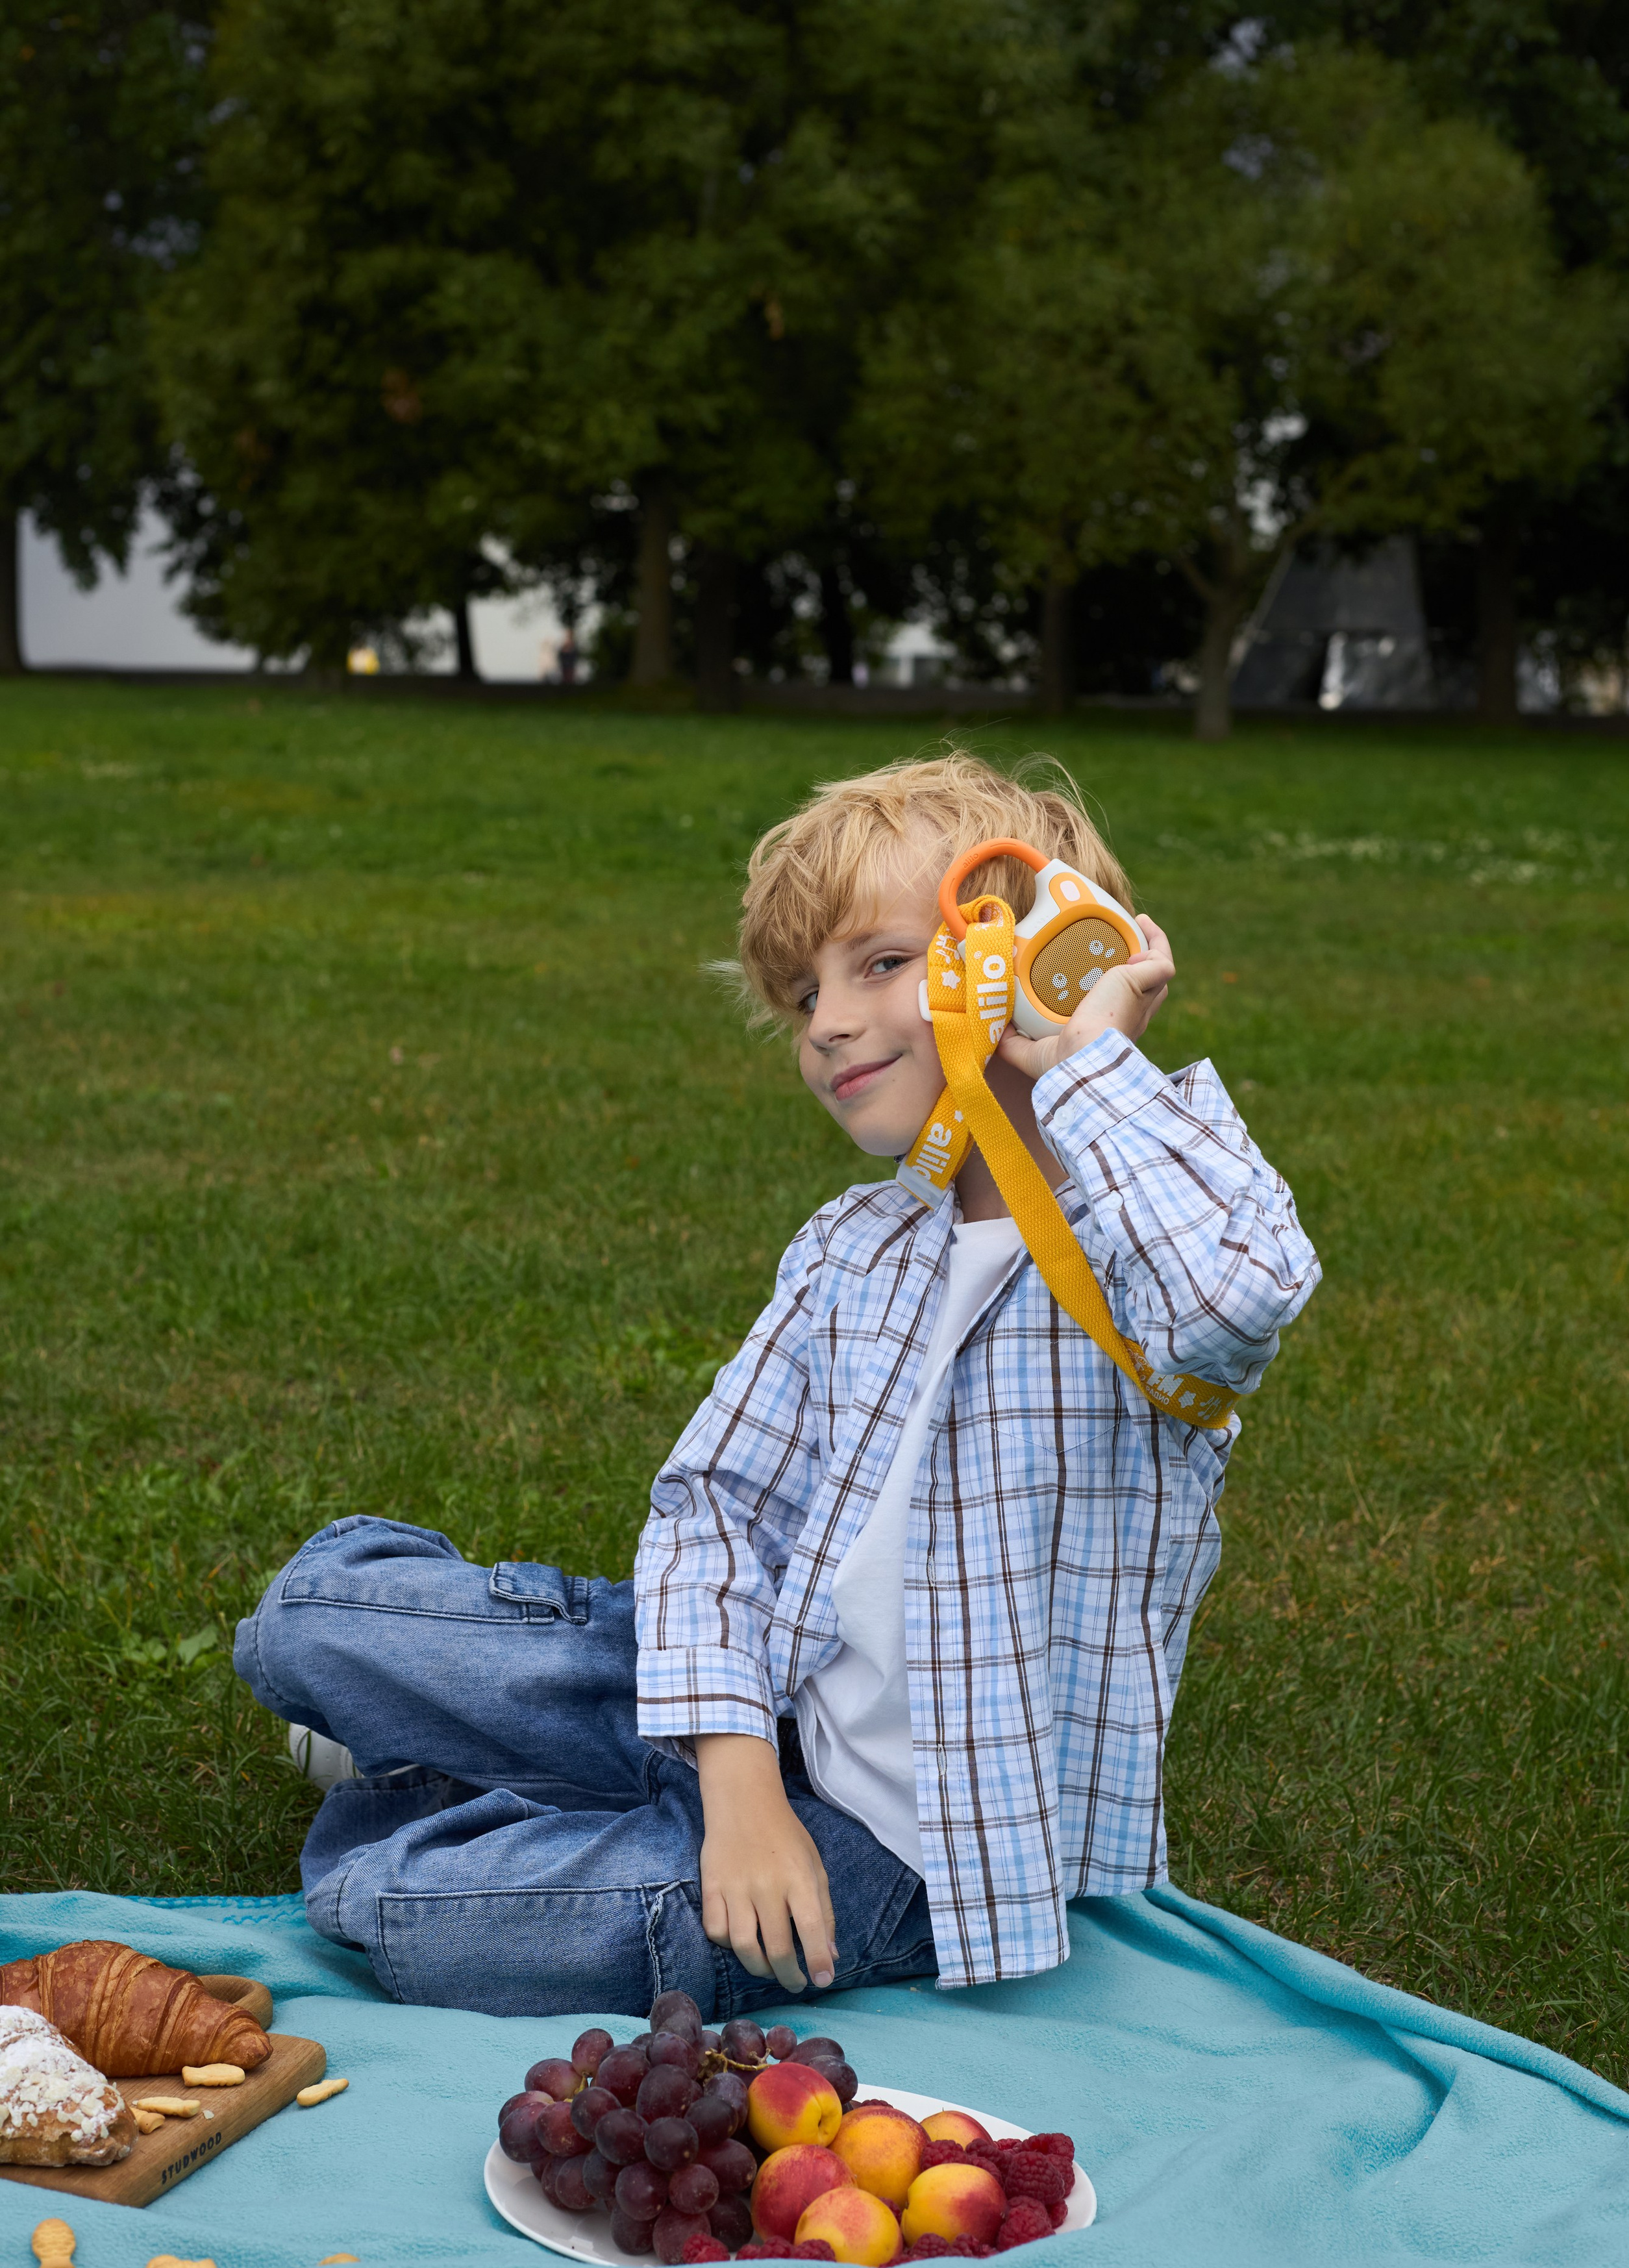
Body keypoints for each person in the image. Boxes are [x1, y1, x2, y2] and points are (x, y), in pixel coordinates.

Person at [234, 754, 1319, 2016]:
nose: (824, 1024)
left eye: (876, 965)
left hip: (904, 1856)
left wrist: (1082, 1057)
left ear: (1028, 952)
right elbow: (714, 1511)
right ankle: (526, 1762)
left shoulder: (1148, 1231)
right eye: (804, 991)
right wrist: (740, 1782)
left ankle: (446, 1784)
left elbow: (1237, 1292)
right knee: (307, 1616)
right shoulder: (846, 1251)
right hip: (745, 1700)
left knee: (415, 1921)